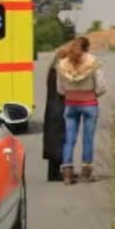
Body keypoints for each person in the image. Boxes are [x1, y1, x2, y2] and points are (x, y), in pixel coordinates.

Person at [57, 36, 106, 184]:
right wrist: (94, 94)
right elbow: (101, 85)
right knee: (88, 138)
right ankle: (86, 172)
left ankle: (67, 173)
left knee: (69, 139)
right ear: (87, 47)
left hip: (71, 102)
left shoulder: (63, 63)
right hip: (89, 102)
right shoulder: (92, 62)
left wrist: (69, 93)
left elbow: (60, 89)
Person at [42, 46, 68, 182]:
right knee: (59, 139)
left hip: (51, 108)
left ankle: (53, 172)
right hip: (58, 108)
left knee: (52, 141)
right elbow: (63, 90)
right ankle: (56, 173)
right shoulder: (59, 72)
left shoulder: (52, 70)